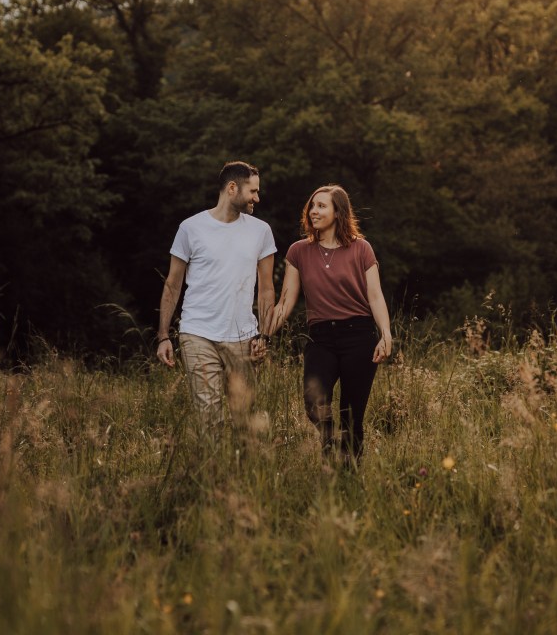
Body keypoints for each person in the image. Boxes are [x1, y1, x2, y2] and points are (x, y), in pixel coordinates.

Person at [268, 184, 392, 465]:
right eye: (312, 205)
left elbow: (375, 296)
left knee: (352, 415)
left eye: (322, 206)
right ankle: (330, 445)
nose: (314, 211)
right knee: (314, 404)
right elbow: (285, 303)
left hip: (359, 336)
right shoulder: (299, 251)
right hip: (321, 338)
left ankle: (349, 476)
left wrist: (385, 335)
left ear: (338, 212)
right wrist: (264, 336)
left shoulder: (361, 248)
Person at [156, 161, 276, 437]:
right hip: (197, 334)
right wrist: (163, 335)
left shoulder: (261, 231)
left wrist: (264, 335)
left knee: (244, 418)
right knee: (209, 418)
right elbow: (173, 284)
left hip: (244, 337)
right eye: (253, 191)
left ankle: (241, 477)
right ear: (232, 188)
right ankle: (214, 478)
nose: (257, 198)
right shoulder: (190, 228)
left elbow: (267, 289)